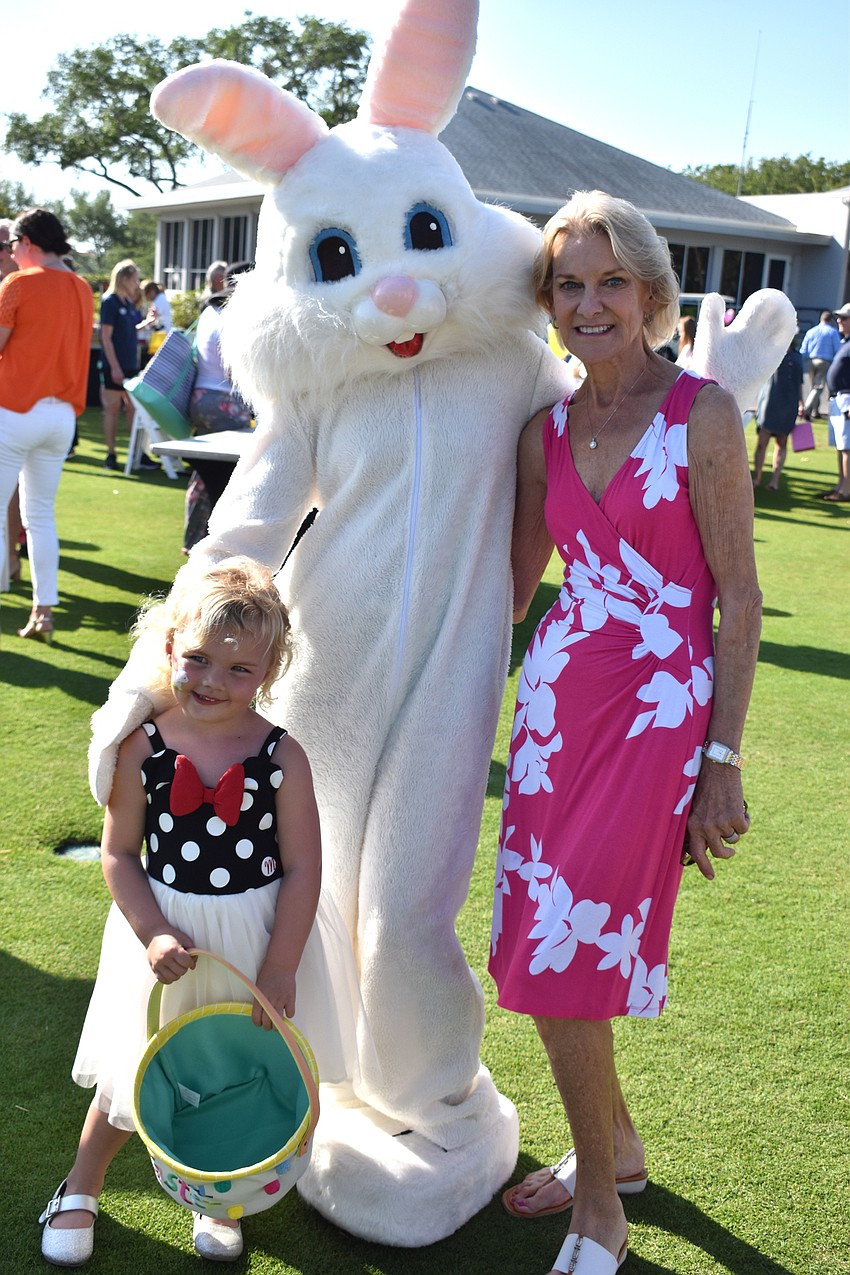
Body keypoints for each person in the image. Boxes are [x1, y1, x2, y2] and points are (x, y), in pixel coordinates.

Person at [490, 191, 757, 1275]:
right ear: (547, 301)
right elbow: (508, 596)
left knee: (564, 954)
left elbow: (737, 598)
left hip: (660, 718)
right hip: (554, 717)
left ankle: (598, 1204)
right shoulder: (537, 432)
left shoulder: (704, 415)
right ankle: (623, 1150)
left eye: (610, 282)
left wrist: (721, 761)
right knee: (539, 944)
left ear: (650, 292)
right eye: (569, 284)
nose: (589, 303)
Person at [39, 556, 363, 1267]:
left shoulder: (283, 757)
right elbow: (120, 853)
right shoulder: (144, 748)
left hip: (256, 938)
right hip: (166, 937)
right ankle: (80, 1185)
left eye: (238, 668)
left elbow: (305, 865)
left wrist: (280, 963)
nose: (212, 680)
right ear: (169, 649)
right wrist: (152, 931)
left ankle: (216, 1192)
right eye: (197, 659)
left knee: (232, 1066)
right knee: (142, 1066)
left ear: (271, 671)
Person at [0, 208, 93, 641]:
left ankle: (36, 608)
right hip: (61, 417)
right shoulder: (81, 287)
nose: (11, 254)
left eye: (13, 246)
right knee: (40, 517)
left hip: (15, 410)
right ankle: (43, 613)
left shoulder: (18, 283)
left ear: (29, 243)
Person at [183, 263, 253, 552]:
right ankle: (215, 540)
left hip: (200, 398)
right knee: (232, 475)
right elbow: (235, 369)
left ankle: (194, 539)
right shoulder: (233, 316)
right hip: (223, 402)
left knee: (204, 473)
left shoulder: (209, 312)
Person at [99, 260, 142, 470]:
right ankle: (111, 454)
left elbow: (129, 330)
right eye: (135, 279)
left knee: (134, 408)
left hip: (131, 364)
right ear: (124, 278)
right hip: (114, 365)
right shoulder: (110, 301)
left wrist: (146, 324)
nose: (137, 284)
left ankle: (136, 453)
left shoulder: (127, 302)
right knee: (112, 409)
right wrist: (114, 366)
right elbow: (106, 337)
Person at [0, 217, 23, 587]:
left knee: (14, 486)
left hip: (18, 400)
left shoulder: (22, 286)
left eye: (8, 244)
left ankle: (12, 558)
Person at [752, 338, 804, 491]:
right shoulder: (771, 351)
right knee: (762, 442)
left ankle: (775, 480)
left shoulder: (797, 356)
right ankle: (757, 477)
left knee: (782, 442)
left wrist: (801, 403)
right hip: (770, 400)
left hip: (789, 402)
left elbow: (799, 382)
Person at [821, 302, 850, 501]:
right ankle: (841, 485)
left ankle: (846, 490)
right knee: (841, 446)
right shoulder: (844, 341)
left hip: (847, 398)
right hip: (839, 398)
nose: (839, 320)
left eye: (844, 318)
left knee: (847, 447)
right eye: (838, 317)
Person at [799, 310, 841, 421]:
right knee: (818, 387)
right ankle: (806, 410)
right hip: (825, 361)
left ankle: (815, 411)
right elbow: (838, 349)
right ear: (830, 321)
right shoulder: (832, 332)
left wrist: (801, 362)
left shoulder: (811, 331)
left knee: (813, 387)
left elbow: (804, 349)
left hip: (811, 361)